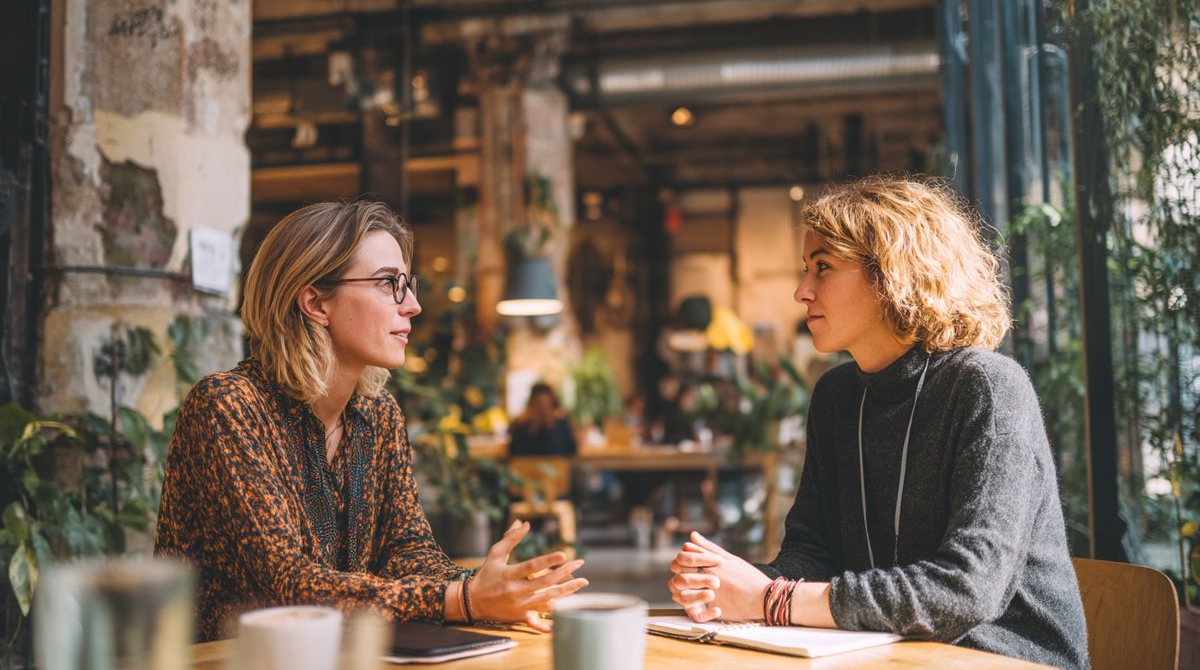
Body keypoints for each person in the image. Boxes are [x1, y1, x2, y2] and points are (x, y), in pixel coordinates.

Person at [666, 176, 1089, 669]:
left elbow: (966, 591)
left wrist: (772, 599)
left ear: (894, 274)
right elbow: (812, 552)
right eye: (806, 269)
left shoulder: (988, 388)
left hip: (1004, 660)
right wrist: (729, 586)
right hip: (885, 654)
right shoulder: (836, 396)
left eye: (823, 267)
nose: (802, 291)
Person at [155, 200, 587, 641]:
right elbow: (288, 587)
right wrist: (463, 599)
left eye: (407, 284)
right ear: (315, 302)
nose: (413, 305)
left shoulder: (377, 415)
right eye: (388, 284)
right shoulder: (228, 407)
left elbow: (407, 551)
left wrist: (499, 590)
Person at [508, 382, 577, 457]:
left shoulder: (561, 421)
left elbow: (570, 450)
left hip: (557, 465)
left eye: (545, 402)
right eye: (538, 402)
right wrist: (533, 428)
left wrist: (551, 426)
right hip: (526, 466)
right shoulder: (521, 423)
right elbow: (515, 452)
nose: (542, 407)